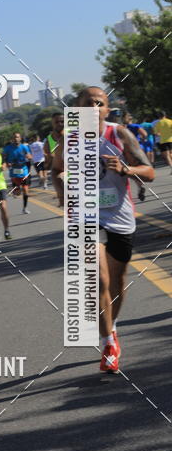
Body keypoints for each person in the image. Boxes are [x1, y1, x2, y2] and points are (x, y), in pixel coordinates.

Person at [77, 87, 155, 373]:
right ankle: (108, 341)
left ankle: (113, 326)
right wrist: (61, 181)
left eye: (100, 103)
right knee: (97, 279)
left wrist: (126, 170)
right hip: (86, 216)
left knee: (118, 280)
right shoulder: (67, 139)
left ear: (107, 110)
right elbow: (56, 167)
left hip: (120, 215)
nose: (95, 107)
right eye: (88, 103)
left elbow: (149, 171)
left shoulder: (119, 135)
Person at [2, 132, 33, 214]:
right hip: (14, 171)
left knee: (26, 190)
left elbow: (29, 156)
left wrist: (29, 157)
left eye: (18, 137)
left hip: (24, 170)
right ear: (12, 139)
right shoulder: (8, 148)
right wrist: (6, 163)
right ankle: (15, 190)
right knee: (18, 192)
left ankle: (25, 208)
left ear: (20, 138)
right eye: (14, 137)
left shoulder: (24, 147)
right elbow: (3, 157)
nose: (16, 139)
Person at [43, 112, 66, 206]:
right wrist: (48, 159)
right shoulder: (49, 140)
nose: (60, 124)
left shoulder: (73, 135)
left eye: (62, 121)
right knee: (63, 200)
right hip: (58, 172)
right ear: (52, 123)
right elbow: (47, 161)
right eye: (57, 122)